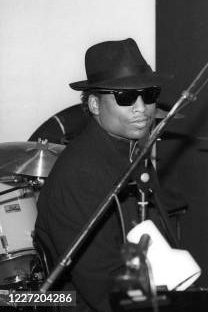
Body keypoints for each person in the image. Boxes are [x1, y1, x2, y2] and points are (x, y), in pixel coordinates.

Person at [35, 38, 175, 312]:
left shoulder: (131, 154)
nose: (141, 108)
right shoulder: (81, 173)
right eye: (124, 96)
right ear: (95, 106)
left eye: (148, 94)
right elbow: (103, 285)